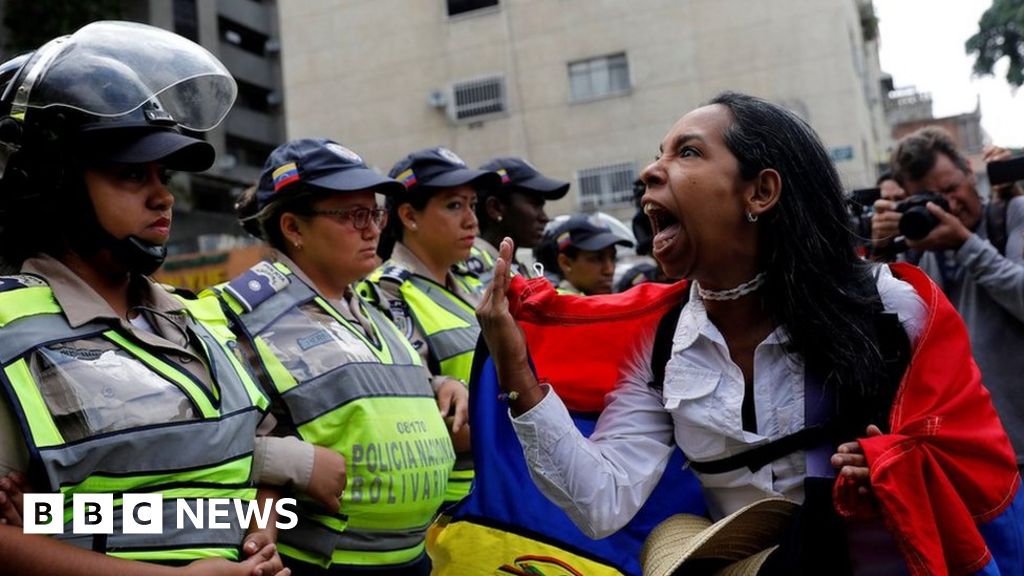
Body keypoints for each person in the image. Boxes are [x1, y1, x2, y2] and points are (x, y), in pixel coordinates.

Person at [477, 92, 1022, 574]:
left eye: (686, 152)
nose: (650, 171)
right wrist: (517, 372)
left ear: (760, 192)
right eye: (657, 154)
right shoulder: (661, 345)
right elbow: (601, 503)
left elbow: (979, 470)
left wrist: (893, 463)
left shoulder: (891, 308)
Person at [0, 21, 291, 574]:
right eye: (132, 174)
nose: (163, 195)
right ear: (52, 183)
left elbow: (248, 463)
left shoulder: (189, 320)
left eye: (163, 174)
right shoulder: (8, 326)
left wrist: (260, 532)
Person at [208, 138, 463, 575]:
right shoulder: (238, 317)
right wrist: (290, 463)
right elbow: (198, 444)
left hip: (412, 559)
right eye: (352, 215)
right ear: (293, 228)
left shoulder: (370, 306)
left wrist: (440, 386)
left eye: (375, 212)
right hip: (321, 563)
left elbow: (367, 387)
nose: (373, 229)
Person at [872, 127, 1024, 473]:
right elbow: (876, 331)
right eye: (933, 200)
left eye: (952, 188)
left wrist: (964, 244)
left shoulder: (1013, 214)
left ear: (971, 172)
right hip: (961, 457)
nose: (950, 204)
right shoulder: (915, 246)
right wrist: (881, 251)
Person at [361, 147, 499, 506]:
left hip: (496, 488)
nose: (471, 220)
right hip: (448, 505)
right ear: (409, 215)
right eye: (454, 206)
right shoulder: (385, 292)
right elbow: (426, 418)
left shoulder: (472, 288)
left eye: (472, 205)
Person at [460, 156, 569, 284]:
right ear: (495, 208)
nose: (544, 218)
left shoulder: (515, 268)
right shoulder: (472, 269)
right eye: (535, 205)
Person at [549, 213, 633, 295]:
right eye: (597, 259)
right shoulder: (559, 306)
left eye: (613, 258)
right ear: (566, 263)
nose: (609, 270)